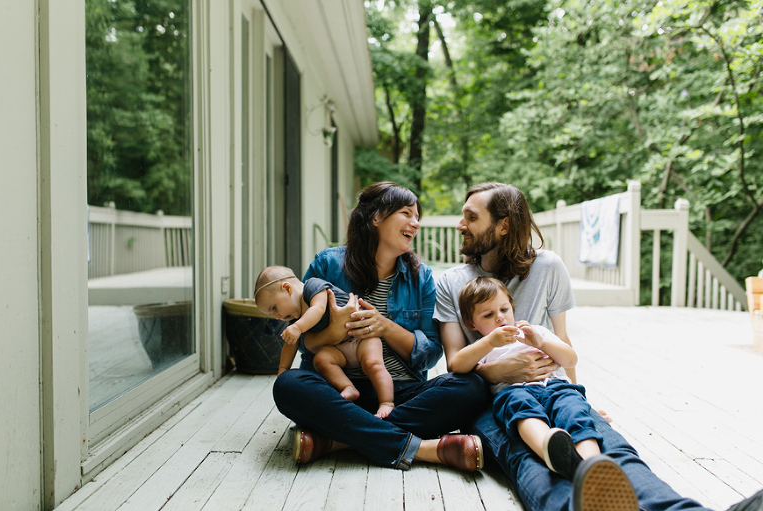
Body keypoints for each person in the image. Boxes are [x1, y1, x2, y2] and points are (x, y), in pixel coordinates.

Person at [434, 182, 763, 511]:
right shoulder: (451, 282)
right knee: (527, 456)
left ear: (503, 225)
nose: (461, 224)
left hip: (553, 385)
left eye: (471, 217)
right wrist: (499, 371)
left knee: (607, 446)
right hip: (494, 399)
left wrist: (576, 393)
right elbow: (455, 364)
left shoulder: (547, 266)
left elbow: (563, 341)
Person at [273, 181, 489, 472]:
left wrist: (384, 327)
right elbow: (301, 340)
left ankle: (339, 438)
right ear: (376, 217)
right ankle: (422, 448)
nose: (415, 223)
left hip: (399, 395)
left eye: (417, 217)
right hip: (336, 393)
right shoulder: (327, 264)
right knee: (288, 385)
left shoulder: (420, 277)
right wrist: (333, 333)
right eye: (406, 213)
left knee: (472, 387)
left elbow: (431, 352)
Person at [450, 276, 605, 482]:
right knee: (521, 411)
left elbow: (570, 360)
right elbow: (456, 365)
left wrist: (541, 343)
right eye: (488, 315)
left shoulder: (536, 331)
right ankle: (550, 451)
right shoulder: (483, 346)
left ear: (512, 307)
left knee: (574, 412)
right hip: (514, 392)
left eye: (504, 310)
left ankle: (591, 466)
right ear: (472, 323)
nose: (499, 318)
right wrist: (489, 342)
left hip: (556, 386)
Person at [254, 265, 395, 418]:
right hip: (339, 350)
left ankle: (387, 402)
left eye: (274, 308)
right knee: (321, 360)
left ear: (287, 288)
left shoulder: (312, 287)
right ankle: (348, 387)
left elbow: (318, 309)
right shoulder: (295, 319)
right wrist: (283, 370)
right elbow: (290, 344)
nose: (276, 316)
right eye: (271, 314)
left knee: (373, 364)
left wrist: (298, 327)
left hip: (361, 337)